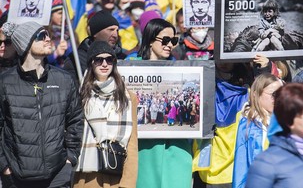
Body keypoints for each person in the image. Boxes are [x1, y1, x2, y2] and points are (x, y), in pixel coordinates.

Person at [0, 21, 83, 188]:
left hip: (57, 176)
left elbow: (76, 120)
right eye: (40, 36)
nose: (48, 39)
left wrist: (70, 158)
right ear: (25, 44)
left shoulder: (64, 79)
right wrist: (4, 166)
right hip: (17, 177)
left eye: (47, 35)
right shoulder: (5, 82)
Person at [135, 18, 192, 188]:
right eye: (165, 40)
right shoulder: (131, 66)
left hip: (176, 151)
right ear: (150, 40)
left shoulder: (180, 69)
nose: (170, 45)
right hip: (142, 150)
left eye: (174, 41)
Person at [74, 41, 138, 188]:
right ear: (91, 63)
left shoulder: (128, 97)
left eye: (109, 60)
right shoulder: (79, 94)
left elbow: (132, 144)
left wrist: (128, 183)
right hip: (87, 175)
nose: (104, 64)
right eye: (99, 60)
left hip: (115, 175)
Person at [232, 73, 283, 188]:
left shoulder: (286, 121)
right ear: (256, 94)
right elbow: (241, 166)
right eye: (274, 94)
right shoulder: (248, 125)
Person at [64, 10, 126, 82]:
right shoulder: (76, 59)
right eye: (111, 30)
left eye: (117, 30)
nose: (115, 35)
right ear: (96, 33)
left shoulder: (123, 57)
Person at [47, 0, 72, 68]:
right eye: (60, 13)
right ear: (51, 15)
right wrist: (56, 53)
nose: (63, 17)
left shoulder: (70, 32)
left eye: (64, 13)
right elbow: (41, 60)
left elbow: (76, 58)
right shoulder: (45, 34)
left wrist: (68, 49)